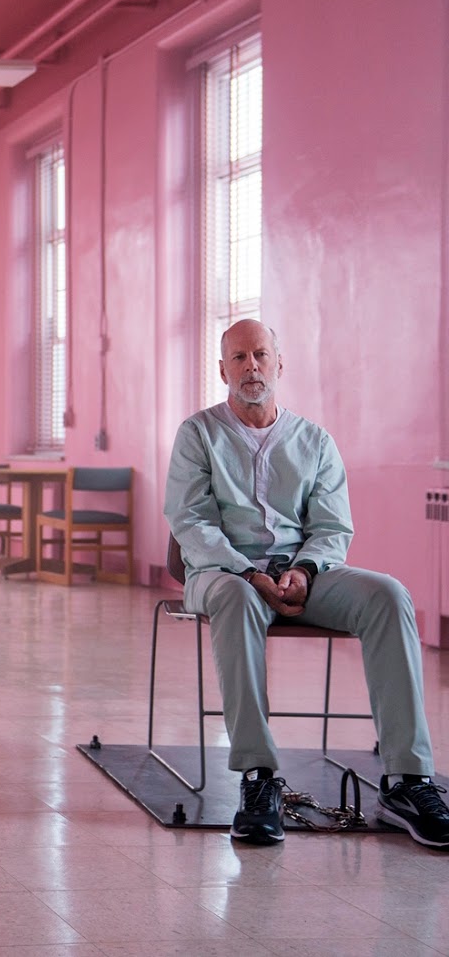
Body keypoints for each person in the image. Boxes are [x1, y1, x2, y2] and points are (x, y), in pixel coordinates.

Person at [164, 318, 447, 848]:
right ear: (222, 370)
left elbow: (333, 527)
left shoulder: (314, 441)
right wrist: (248, 571)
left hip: (302, 575)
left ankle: (407, 781)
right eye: (239, 357)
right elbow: (191, 522)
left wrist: (304, 570)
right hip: (222, 575)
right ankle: (259, 776)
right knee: (237, 596)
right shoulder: (198, 434)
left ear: (279, 363)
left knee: (388, 595)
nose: (251, 366)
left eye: (260, 355)